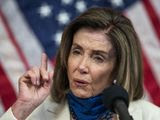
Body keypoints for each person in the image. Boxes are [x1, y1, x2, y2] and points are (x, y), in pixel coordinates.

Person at [0, 7, 160, 120]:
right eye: (77, 51)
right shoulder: (37, 112)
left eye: (98, 57)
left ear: (118, 68)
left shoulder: (151, 116)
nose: (81, 66)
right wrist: (22, 108)